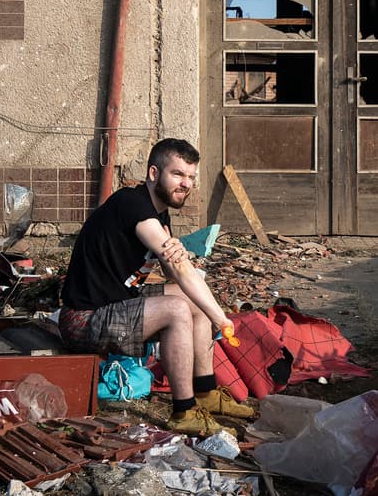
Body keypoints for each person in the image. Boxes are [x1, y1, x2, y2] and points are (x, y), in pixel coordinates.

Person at [59, 138, 253, 436]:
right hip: (84, 319)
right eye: (177, 174)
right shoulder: (132, 204)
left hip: (116, 304)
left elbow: (171, 266)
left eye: (190, 176)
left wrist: (179, 251)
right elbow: (176, 268)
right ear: (153, 173)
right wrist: (220, 318)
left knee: (192, 299)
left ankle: (205, 391)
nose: (186, 183)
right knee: (176, 309)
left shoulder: (157, 211)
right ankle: (184, 411)